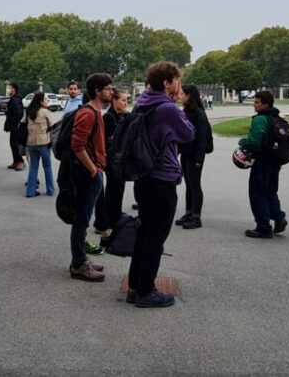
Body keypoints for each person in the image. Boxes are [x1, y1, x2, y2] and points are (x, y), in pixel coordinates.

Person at [125, 63, 195, 308]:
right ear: (167, 83)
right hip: (162, 179)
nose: (179, 86)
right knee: (156, 238)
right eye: (177, 80)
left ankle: (135, 285)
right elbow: (188, 134)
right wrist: (177, 106)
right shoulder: (167, 108)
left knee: (145, 234)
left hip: (143, 177)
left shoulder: (143, 101)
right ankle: (146, 291)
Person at [65, 73, 113, 282]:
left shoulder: (96, 112)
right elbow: (77, 145)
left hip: (94, 172)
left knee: (84, 219)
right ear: (97, 91)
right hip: (86, 174)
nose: (111, 91)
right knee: (81, 221)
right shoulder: (88, 114)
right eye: (108, 88)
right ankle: (78, 264)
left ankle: (81, 258)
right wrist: (93, 169)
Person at [240, 90, 286, 239]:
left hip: (262, 161)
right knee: (271, 192)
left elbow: (254, 143)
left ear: (265, 104)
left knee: (258, 193)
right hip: (276, 161)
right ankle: (279, 218)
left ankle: (263, 227)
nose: (254, 104)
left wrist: (243, 142)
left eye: (257, 102)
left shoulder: (261, 119)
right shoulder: (276, 118)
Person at [175, 84, 213, 230]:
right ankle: (188, 213)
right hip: (186, 153)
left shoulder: (198, 113)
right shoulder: (186, 111)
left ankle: (196, 217)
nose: (180, 96)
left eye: (183, 94)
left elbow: (202, 138)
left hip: (195, 156)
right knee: (189, 185)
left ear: (190, 95)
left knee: (195, 185)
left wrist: (199, 159)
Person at [95, 88, 129, 243]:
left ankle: (114, 216)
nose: (125, 103)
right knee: (113, 189)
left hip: (118, 160)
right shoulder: (109, 117)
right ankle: (106, 220)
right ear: (114, 100)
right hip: (112, 160)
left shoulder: (119, 116)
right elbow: (111, 140)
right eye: (122, 100)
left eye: (126, 100)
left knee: (117, 188)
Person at [24, 92, 55, 198]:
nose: (47, 101)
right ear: (41, 101)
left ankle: (30, 191)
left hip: (30, 143)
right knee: (47, 166)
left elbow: (23, 123)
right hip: (44, 143)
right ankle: (50, 190)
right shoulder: (46, 112)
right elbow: (53, 126)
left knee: (33, 167)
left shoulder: (29, 111)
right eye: (46, 99)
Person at [4, 83, 26, 170]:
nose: (8, 90)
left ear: (14, 90)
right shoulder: (13, 99)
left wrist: (13, 122)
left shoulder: (15, 100)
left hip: (16, 126)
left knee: (15, 145)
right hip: (13, 126)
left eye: (10, 88)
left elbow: (19, 114)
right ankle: (16, 161)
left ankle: (20, 161)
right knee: (12, 144)